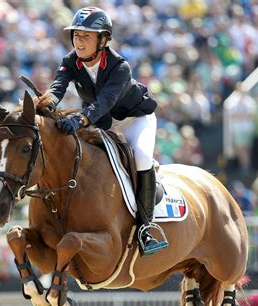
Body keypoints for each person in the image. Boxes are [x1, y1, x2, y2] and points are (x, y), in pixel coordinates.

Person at [43, 7, 167, 256]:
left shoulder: (120, 66)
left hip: (134, 119)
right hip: (102, 122)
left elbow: (105, 101)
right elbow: (57, 88)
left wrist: (80, 120)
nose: (79, 40)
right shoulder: (70, 61)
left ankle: (146, 228)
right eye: (76, 35)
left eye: (86, 35)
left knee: (141, 156)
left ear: (103, 39)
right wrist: (46, 104)